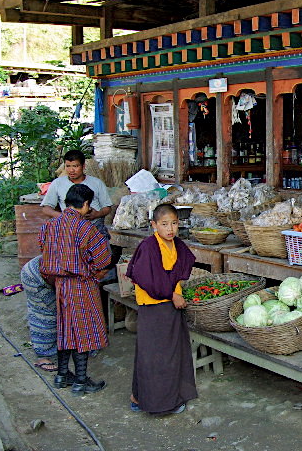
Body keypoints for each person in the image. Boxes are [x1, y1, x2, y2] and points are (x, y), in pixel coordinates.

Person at [39, 184, 112, 395]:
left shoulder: (49, 225)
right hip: (81, 284)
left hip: (59, 284)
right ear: (86, 204)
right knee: (83, 331)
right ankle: (81, 381)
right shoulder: (86, 228)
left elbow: (43, 251)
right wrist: (94, 273)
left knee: (64, 329)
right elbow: (103, 259)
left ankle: (62, 375)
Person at [126, 203, 197, 415]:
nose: (170, 229)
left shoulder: (176, 244)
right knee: (157, 355)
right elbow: (148, 279)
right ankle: (160, 404)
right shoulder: (149, 246)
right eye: (164, 224)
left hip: (169, 304)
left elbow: (185, 263)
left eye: (174, 223)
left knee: (168, 352)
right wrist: (172, 294)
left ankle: (138, 396)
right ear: (154, 225)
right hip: (154, 306)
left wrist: (177, 290)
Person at [41, 149, 113, 241]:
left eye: (75, 166)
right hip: (70, 228)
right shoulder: (57, 183)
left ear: (83, 166)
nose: (71, 170)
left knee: (101, 253)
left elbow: (107, 207)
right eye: (68, 166)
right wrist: (62, 216)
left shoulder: (97, 183)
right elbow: (46, 208)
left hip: (95, 226)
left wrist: (97, 214)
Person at [20, 256, 57, 372]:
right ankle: (43, 357)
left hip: (37, 272)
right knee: (46, 313)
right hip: (34, 277)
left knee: (48, 311)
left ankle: (49, 348)